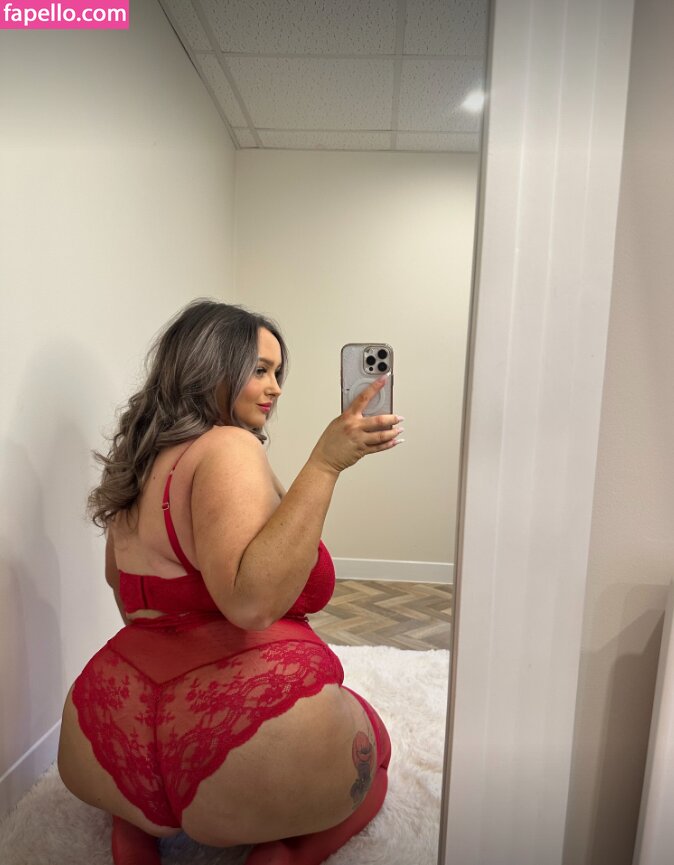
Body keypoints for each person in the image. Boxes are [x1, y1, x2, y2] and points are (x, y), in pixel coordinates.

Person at [57, 299, 403, 865]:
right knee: (375, 755)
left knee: (166, 787)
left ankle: (137, 827)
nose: (275, 389)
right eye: (260, 370)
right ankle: (280, 851)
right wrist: (325, 464)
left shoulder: (137, 462)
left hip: (103, 734)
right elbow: (252, 605)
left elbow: (126, 595)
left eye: (277, 372)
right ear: (210, 367)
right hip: (234, 746)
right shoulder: (228, 446)